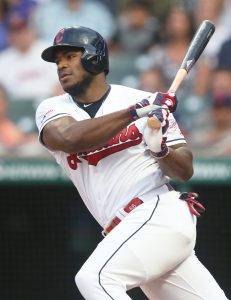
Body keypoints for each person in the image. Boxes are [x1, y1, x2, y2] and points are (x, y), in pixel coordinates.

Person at [35, 26, 228, 300]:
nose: (61, 65)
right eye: (57, 60)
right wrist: (134, 113)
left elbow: (184, 169)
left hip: (159, 213)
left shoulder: (141, 100)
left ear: (94, 58)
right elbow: (68, 138)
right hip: (132, 233)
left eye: (70, 55)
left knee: (96, 279)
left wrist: (160, 149)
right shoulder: (54, 108)